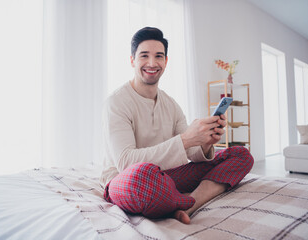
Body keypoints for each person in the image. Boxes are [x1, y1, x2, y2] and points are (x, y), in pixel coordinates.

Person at [100, 27, 254, 224]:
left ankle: (189, 205)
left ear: (166, 61)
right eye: (144, 56)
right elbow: (126, 163)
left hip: (166, 176)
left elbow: (192, 153)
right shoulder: (117, 102)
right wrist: (186, 139)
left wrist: (205, 141)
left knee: (240, 154)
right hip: (126, 180)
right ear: (132, 60)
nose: (152, 63)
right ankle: (170, 196)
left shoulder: (171, 104)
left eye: (159, 56)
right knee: (143, 176)